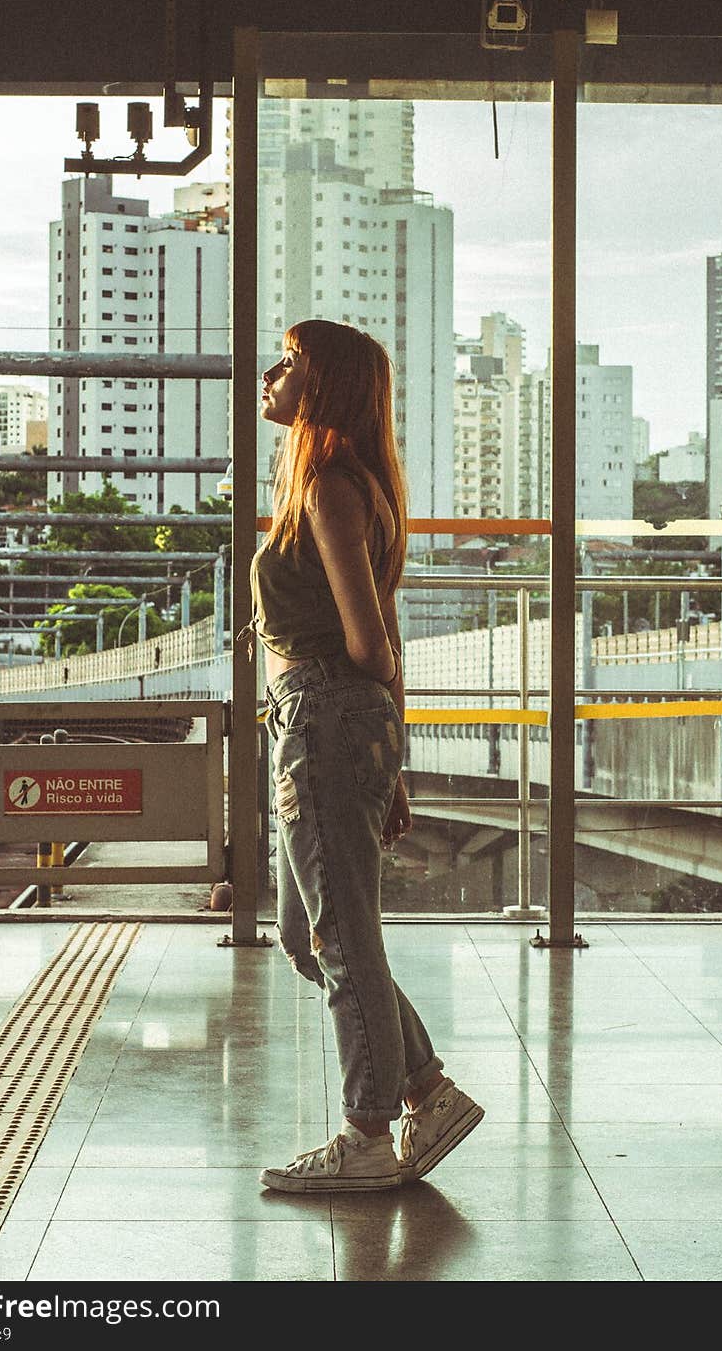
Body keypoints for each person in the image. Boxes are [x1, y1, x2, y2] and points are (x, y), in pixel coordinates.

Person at [248, 319, 483, 1193]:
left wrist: (372, 739)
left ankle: (366, 1135)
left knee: (339, 937)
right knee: (310, 940)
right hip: (330, 722)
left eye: (292, 362)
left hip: (321, 718)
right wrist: (397, 755)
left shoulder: (331, 487)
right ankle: (426, 1088)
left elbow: (367, 642)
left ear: (329, 385)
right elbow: (385, 652)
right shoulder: (343, 484)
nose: (274, 372)